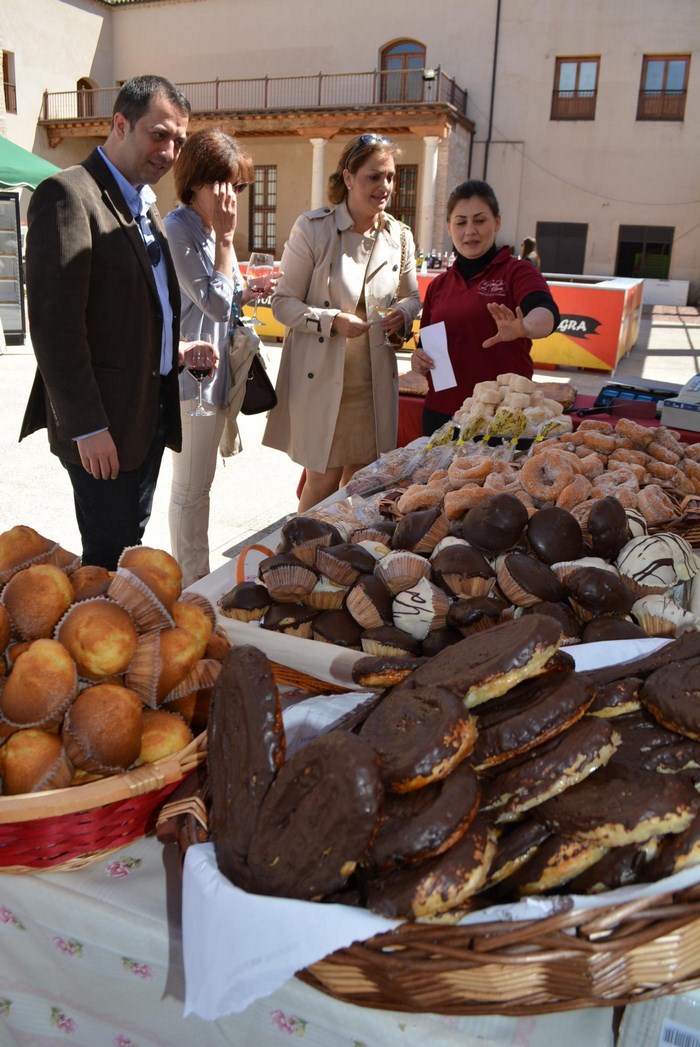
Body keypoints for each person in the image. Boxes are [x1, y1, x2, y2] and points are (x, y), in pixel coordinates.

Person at [20, 74, 217, 570]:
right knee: (108, 560)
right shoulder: (68, 195)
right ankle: (98, 642)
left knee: (129, 548)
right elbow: (55, 326)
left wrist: (176, 348)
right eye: (159, 134)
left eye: (179, 140)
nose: (170, 151)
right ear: (120, 124)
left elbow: (133, 307)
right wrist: (86, 427)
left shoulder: (142, 205)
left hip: (144, 417)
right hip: (102, 428)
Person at [263, 133, 422, 512]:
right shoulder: (314, 228)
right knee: (321, 481)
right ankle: (299, 554)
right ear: (349, 177)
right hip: (323, 382)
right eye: (374, 177)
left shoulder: (399, 236)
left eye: (390, 177)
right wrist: (331, 321)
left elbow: (413, 297)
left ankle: (342, 557)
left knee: (363, 483)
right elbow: (282, 304)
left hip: (373, 385)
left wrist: (402, 313)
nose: (384, 187)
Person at [164, 129, 258, 587]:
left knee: (199, 487)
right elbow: (214, 304)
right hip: (191, 378)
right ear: (196, 181)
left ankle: (193, 581)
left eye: (238, 187)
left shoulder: (209, 228)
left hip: (217, 376)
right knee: (190, 489)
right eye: (224, 185)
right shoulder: (179, 227)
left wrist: (247, 287)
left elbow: (230, 295)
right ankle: (192, 584)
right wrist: (226, 242)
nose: (231, 196)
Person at [411, 180, 560, 436]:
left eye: (479, 220)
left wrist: (524, 326)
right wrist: (419, 359)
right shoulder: (439, 285)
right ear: (449, 227)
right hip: (442, 413)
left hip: (500, 419)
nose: (470, 230)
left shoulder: (517, 271)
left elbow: (546, 312)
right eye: (461, 222)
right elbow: (427, 345)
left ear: (497, 222)